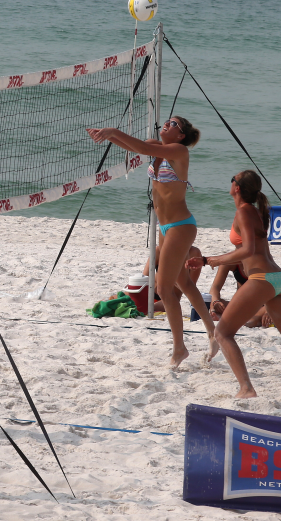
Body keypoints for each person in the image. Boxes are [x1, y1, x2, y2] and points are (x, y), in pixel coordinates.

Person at [186, 170, 281, 400]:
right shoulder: (255, 211)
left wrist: (211, 260)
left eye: (232, 179)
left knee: (222, 333)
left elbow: (247, 250)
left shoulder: (244, 212)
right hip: (278, 278)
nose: (230, 182)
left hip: (263, 279)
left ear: (237, 188)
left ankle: (246, 389)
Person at [87, 117, 215, 368]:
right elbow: (137, 147)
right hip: (166, 227)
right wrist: (107, 136)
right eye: (168, 121)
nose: (167, 124)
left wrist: (114, 131)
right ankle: (213, 332)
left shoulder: (179, 151)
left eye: (174, 124)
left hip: (181, 226)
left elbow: (144, 149)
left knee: (166, 289)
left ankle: (180, 348)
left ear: (181, 136)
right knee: (184, 283)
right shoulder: (157, 146)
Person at [142, 245, 203, 313]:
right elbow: (144, 278)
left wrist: (177, 282)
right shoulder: (159, 250)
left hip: (169, 299)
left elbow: (191, 288)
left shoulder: (194, 253)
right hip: (150, 294)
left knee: (148, 307)